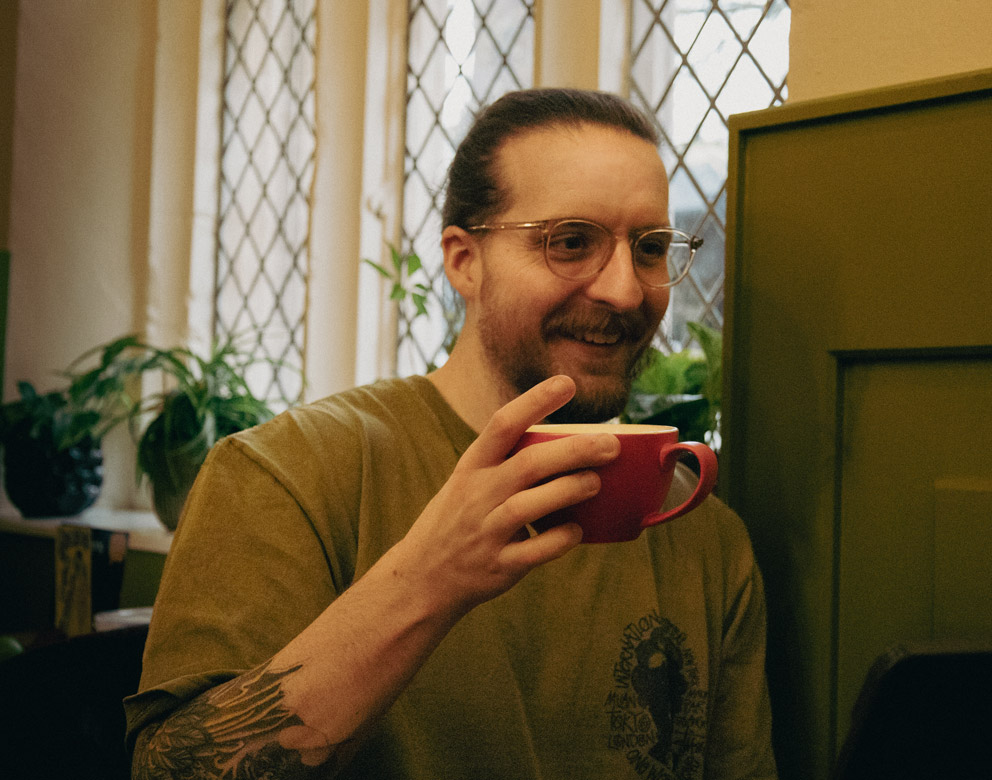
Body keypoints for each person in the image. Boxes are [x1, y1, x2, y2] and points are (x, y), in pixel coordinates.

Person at [126, 87, 777, 779]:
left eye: (649, 248)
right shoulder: (286, 474)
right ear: (464, 261)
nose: (624, 290)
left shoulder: (703, 534)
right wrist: (426, 584)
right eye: (570, 242)